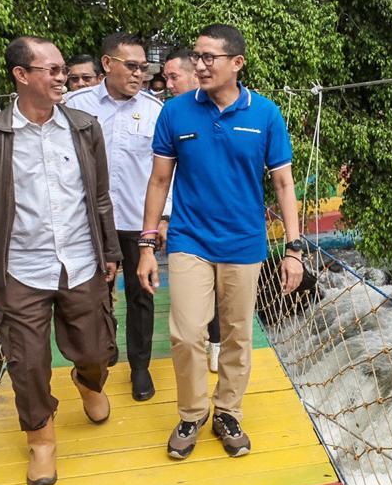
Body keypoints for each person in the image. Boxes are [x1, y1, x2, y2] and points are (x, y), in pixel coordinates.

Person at [0, 36, 120, 485]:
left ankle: (88, 382)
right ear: (21, 75)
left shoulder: (85, 128)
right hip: (21, 270)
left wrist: (110, 252)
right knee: (27, 363)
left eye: (63, 69)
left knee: (96, 349)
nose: (62, 77)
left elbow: (101, 198)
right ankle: (42, 442)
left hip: (82, 261)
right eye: (50, 70)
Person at [137, 24, 303, 461]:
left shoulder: (265, 113)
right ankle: (191, 413)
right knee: (187, 333)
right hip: (190, 240)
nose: (200, 64)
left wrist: (294, 248)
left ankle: (227, 411)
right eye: (197, 56)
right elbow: (158, 180)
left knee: (236, 334)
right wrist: (146, 244)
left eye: (210, 57)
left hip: (244, 243)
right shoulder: (175, 113)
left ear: (237, 63)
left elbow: (284, 184)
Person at [64, 33, 170, 402]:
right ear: (107, 65)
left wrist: (162, 220)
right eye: (132, 66)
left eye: (144, 67)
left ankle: (140, 366)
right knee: (92, 292)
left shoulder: (156, 111)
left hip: (135, 219)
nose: (140, 74)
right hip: (88, 220)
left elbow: (166, 171)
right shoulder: (73, 106)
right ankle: (101, 354)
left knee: (142, 292)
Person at [163, 46, 222, 373]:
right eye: (166, 77)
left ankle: (216, 342)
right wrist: (161, 219)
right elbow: (161, 176)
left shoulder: (229, 108)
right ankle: (193, 404)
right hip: (186, 226)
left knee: (222, 291)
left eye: (174, 76)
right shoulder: (171, 114)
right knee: (190, 307)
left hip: (226, 225)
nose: (168, 83)